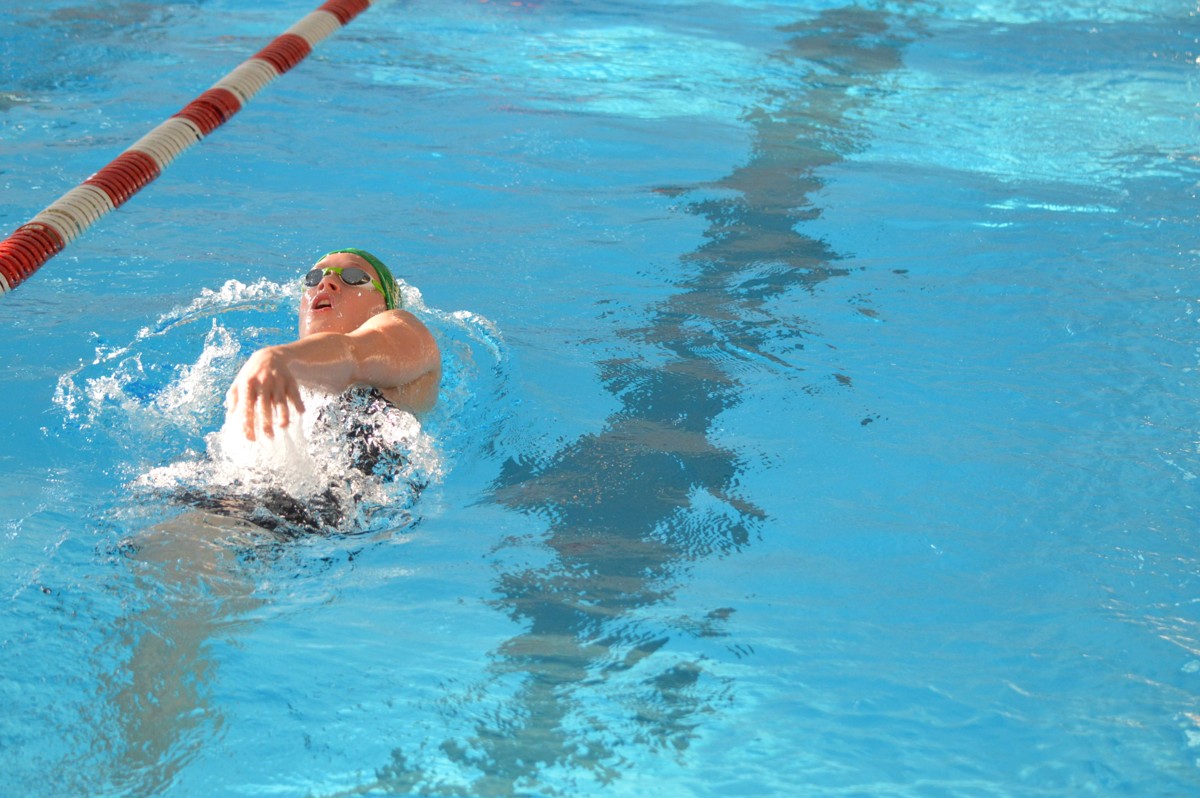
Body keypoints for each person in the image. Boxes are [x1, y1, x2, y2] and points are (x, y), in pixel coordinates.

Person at [225, 247, 441, 442]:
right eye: (313, 278)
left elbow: (353, 354)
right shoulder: (271, 372)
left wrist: (280, 358)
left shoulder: (409, 332)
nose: (326, 282)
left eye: (353, 277)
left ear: (386, 305)